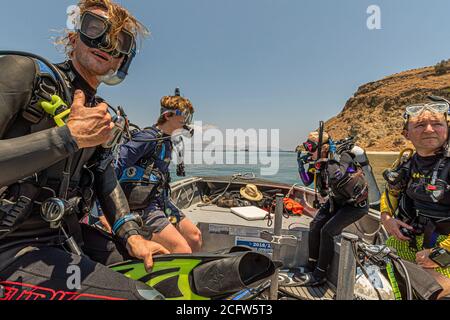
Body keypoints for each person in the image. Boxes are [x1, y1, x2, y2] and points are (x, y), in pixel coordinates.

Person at [0, 0, 170, 300]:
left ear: (122, 61)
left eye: (118, 41)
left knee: (169, 278)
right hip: (9, 244)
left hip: (64, 235)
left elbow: (105, 177)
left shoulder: (100, 114)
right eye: (95, 28)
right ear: (73, 37)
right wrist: (67, 138)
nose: (106, 43)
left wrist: (131, 234)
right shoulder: (21, 73)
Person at [113, 90, 202, 253]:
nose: (187, 121)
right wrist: (107, 211)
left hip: (161, 202)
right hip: (143, 207)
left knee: (195, 236)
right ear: (168, 116)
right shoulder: (148, 137)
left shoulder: (167, 141)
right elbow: (115, 166)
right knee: (182, 249)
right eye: (184, 116)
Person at [380, 98, 450, 299]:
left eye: (437, 124)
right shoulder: (406, 163)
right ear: (406, 134)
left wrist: (440, 253)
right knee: (377, 275)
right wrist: (386, 217)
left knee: (420, 291)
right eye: (420, 125)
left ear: (447, 128)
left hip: (445, 246)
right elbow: (391, 192)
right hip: (411, 239)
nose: (429, 129)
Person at [295, 130, 369, 286]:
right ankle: (311, 265)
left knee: (327, 231)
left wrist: (330, 159)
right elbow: (307, 181)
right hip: (336, 201)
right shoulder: (318, 162)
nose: (309, 150)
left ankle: (320, 274)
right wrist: (301, 165)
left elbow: (337, 175)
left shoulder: (344, 157)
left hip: (354, 206)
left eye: (311, 146)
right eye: (307, 146)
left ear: (324, 147)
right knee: (315, 226)